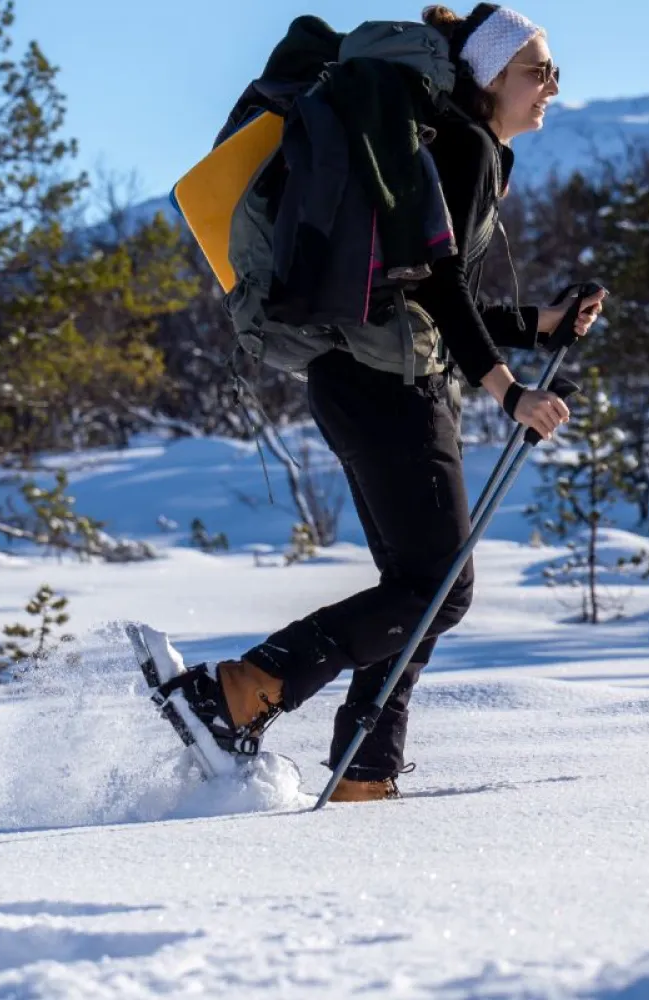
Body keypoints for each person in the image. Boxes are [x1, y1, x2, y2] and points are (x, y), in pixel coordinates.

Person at [161, 3, 607, 802]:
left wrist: (536, 326)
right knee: (439, 587)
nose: (551, 87)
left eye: (553, 72)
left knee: (420, 587)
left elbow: (438, 291)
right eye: (537, 71)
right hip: (388, 382)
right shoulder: (465, 146)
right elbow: (437, 283)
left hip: (357, 377)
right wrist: (507, 388)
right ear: (491, 75)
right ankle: (244, 689)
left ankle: (365, 769)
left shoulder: (453, 145)